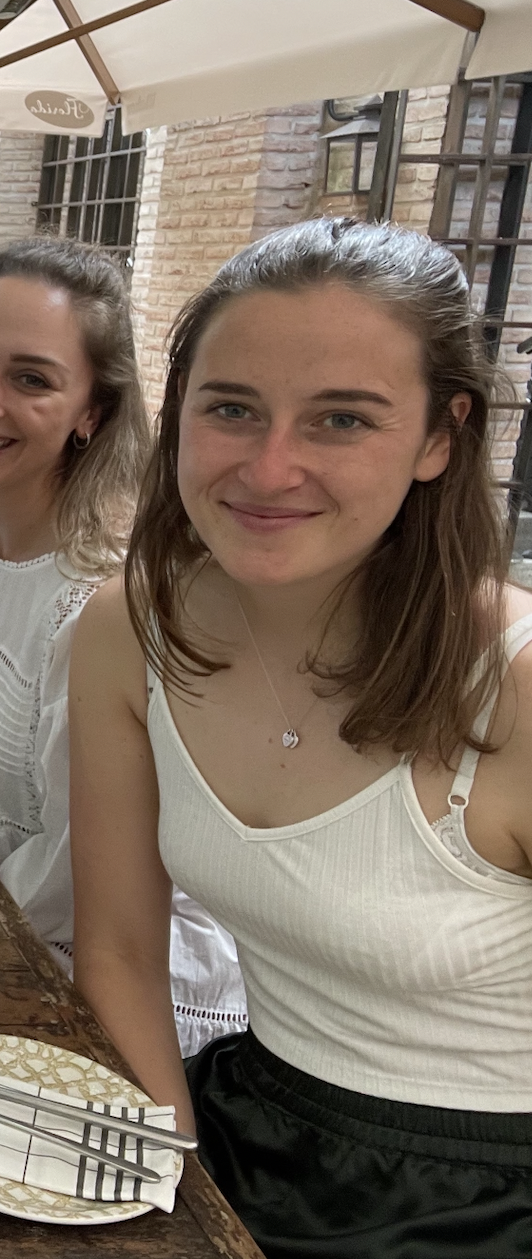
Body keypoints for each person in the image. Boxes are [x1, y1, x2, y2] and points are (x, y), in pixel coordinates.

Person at [70, 218, 532, 1255]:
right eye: (232, 408)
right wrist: (175, 1193)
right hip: (239, 1126)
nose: (269, 468)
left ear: (439, 437)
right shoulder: (128, 626)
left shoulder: (517, 685)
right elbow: (119, 950)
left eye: (341, 420)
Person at [0, 241, 245, 1054]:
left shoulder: (110, 592)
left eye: (31, 379)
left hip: (137, 993)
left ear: (92, 409)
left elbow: (69, 880)